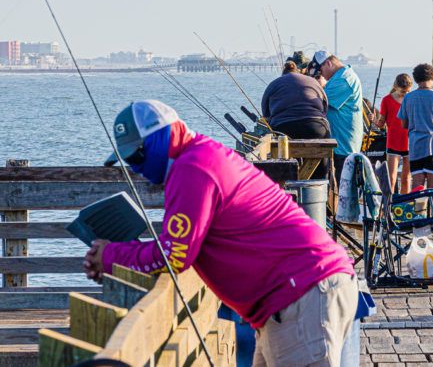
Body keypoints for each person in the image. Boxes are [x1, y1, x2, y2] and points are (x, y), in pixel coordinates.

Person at [83, 100, 357, 365]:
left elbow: (175, 254)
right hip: (290, 300)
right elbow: (181, 244)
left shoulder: (192, 167)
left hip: (302, 294)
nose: (135, 167)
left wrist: (110, 256)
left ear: (165, 135)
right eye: (127, 160)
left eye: (138, 155)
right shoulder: (200, 157)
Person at [309, 51, 364, 184]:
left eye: (320, 71)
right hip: (339, 142)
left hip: (344, 144)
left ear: (328, 63)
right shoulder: (339, 77)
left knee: (345, 187)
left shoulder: (344, 79)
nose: (321, 75)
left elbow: (319, 101)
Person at [398, 63, 433, 191]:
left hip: (416, 145)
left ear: (415, 79)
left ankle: (418, 210)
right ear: (432, 77)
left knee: (417, 182)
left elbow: (403, 124)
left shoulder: (408, 98)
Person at [260, 61, 330, 139]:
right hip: (316, 127)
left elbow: (266, 116)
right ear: (298, 72)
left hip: (283, 129)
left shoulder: (273, 84)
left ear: (283, 74)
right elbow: (325, 108)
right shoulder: (313, 81)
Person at [380, 73, 413, 194]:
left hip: (409, 143)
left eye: (408, 92)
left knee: (406, 178)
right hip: (393, 142)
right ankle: (389, 205)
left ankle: (404, 205)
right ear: (396, 86)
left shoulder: (411, 99)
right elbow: (381, 123)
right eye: (403, 92)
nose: (405, 94)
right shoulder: (386, 100)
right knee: (391, 178)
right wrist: (373, 119)